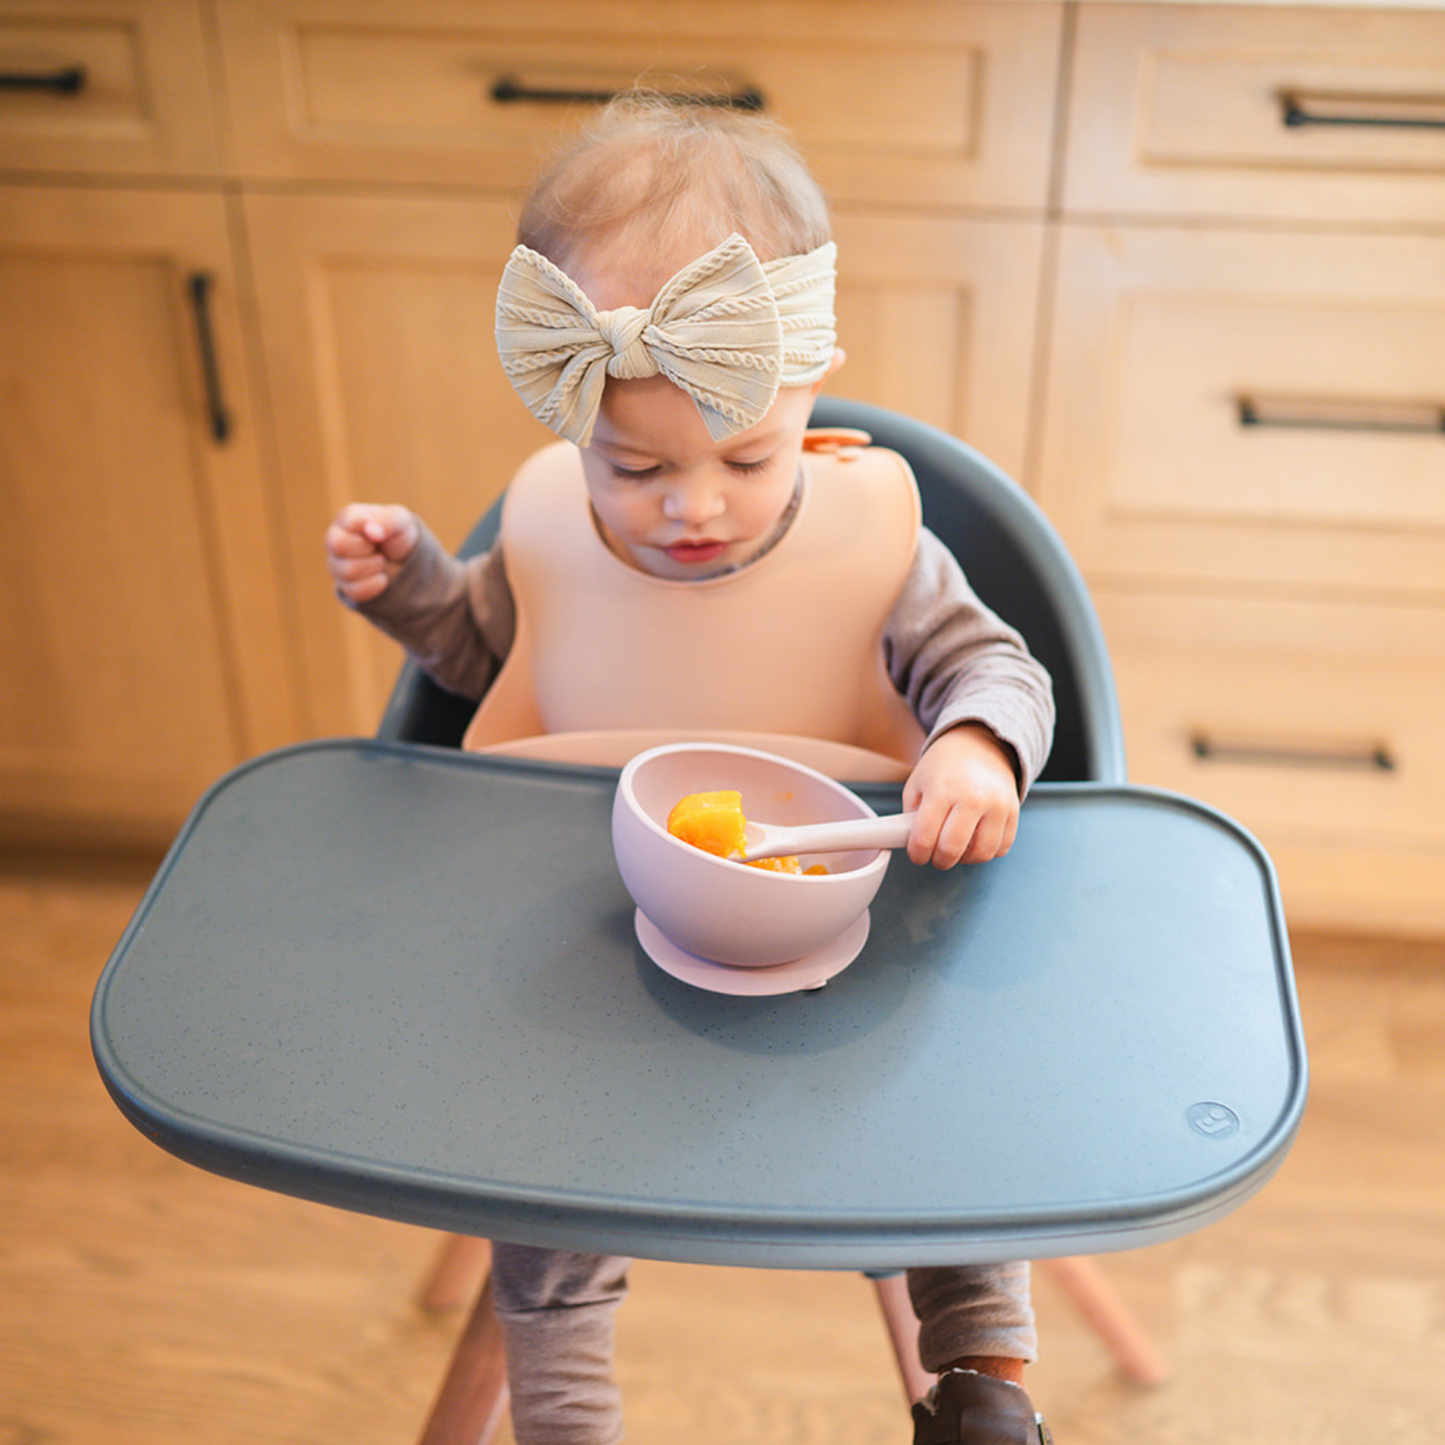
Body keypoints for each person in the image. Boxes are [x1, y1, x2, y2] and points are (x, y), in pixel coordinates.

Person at [326, 94, 1055, 1445]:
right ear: (572, 428)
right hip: (600, 936)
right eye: (635, 464)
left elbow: (995, 666)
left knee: (951, 1120)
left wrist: (973, 745)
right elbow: (492, 653)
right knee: (539, 1182)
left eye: (749, 455)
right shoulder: (551, 528)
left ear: (807, 400)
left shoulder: (877, 540)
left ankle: (982, 1376)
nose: (694, 506)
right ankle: (566, 1420)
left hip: (847, 926)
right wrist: (414, 586)